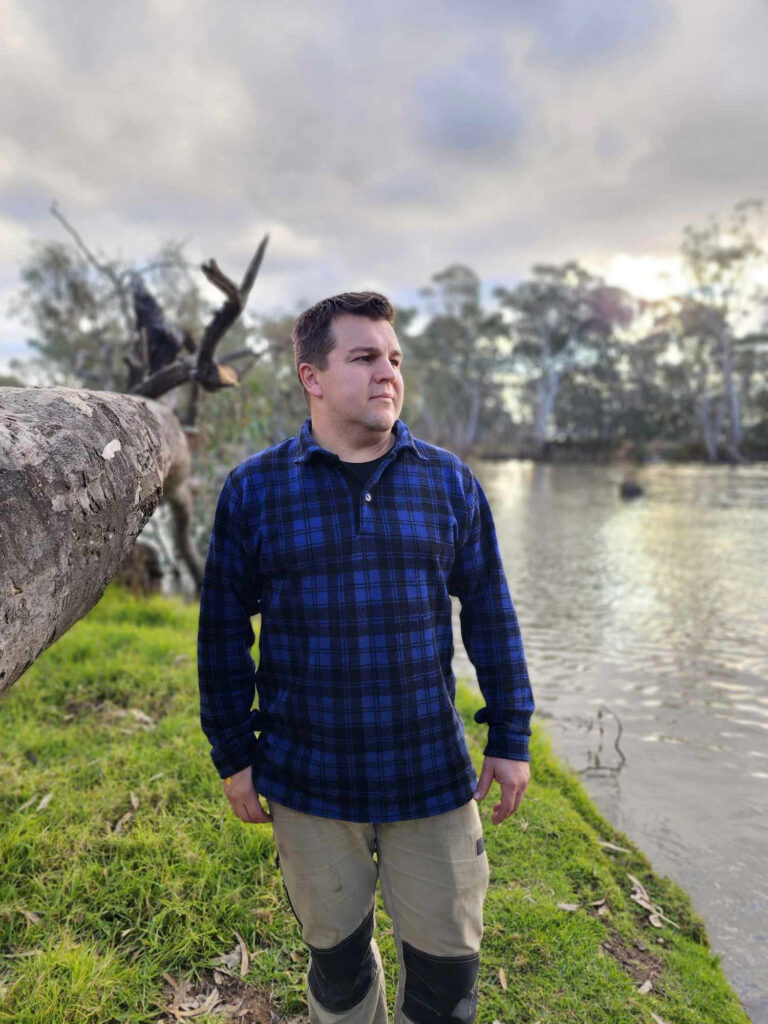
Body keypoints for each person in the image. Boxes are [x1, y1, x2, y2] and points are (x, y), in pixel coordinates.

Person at [197, 291, 535, 1024]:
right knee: (339, 968)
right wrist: (233, 753)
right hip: (308, 780)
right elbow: (222, 632)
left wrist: (510, 735)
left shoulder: (448, 482)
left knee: (449, 982)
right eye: (363, 358)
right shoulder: (254, 490)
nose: (387, 373)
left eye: (394, 359)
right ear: (311, 376)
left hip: (431, 777)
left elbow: (490, 613)